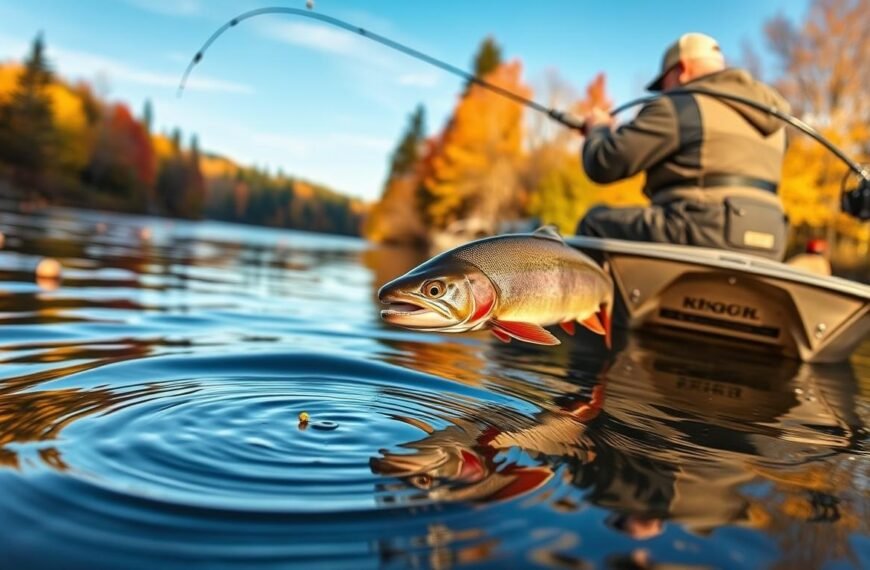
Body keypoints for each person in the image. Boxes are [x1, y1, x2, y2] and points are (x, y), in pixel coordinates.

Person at [576, 33, 791, 260]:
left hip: (700, 230)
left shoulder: (680, 106)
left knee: (594, 224)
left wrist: (598, 130)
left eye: (664, 83)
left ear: (682, 69)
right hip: (773, 240)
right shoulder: (775, 122)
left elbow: (604, 163)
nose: (664, 92)